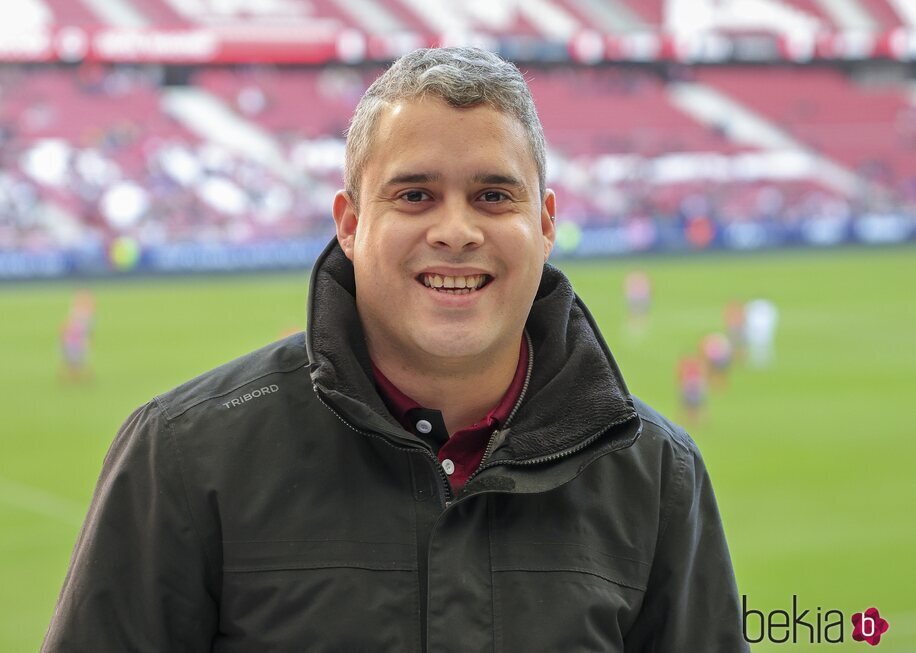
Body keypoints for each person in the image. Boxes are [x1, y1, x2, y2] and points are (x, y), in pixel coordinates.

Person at [43, 48, 748, 652]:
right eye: (414, 195)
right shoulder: (183, 455)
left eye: (494, 196)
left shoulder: (657, 475)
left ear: (545, 222)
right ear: (351, 223)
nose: (456, 230)